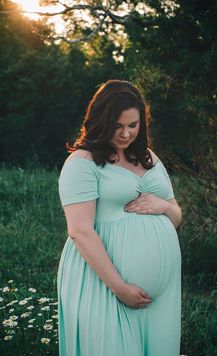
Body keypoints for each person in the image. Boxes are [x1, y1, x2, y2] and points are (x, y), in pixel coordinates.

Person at [57, 79, 182, 356]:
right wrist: (120, 288)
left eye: (133, 125)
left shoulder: (149, 158)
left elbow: (175, 214)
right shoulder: (82, 162)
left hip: (161, 298)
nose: (126, 134)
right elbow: (80, 231)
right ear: (101, 120)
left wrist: (162, 206)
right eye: (118, 126)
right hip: (105, 285)